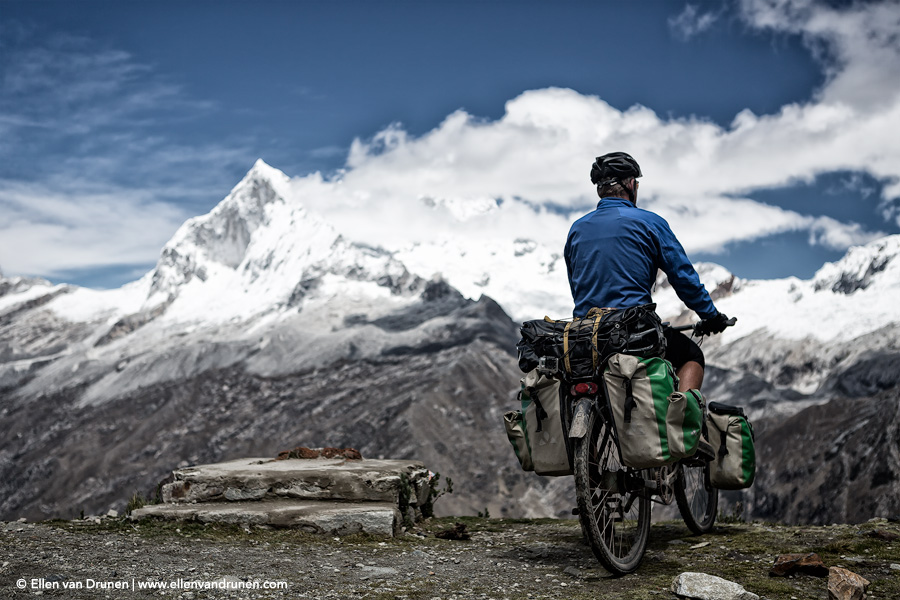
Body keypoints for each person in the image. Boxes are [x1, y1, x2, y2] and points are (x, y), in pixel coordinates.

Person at [564, 151, 731, 391]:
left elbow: (577, 285)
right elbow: (683, 278)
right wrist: (710, 316)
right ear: (631, 185)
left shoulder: (576, 229)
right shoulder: (650, 222)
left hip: (584, 337)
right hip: (635, 334)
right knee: (691, 356)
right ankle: (681, 413)